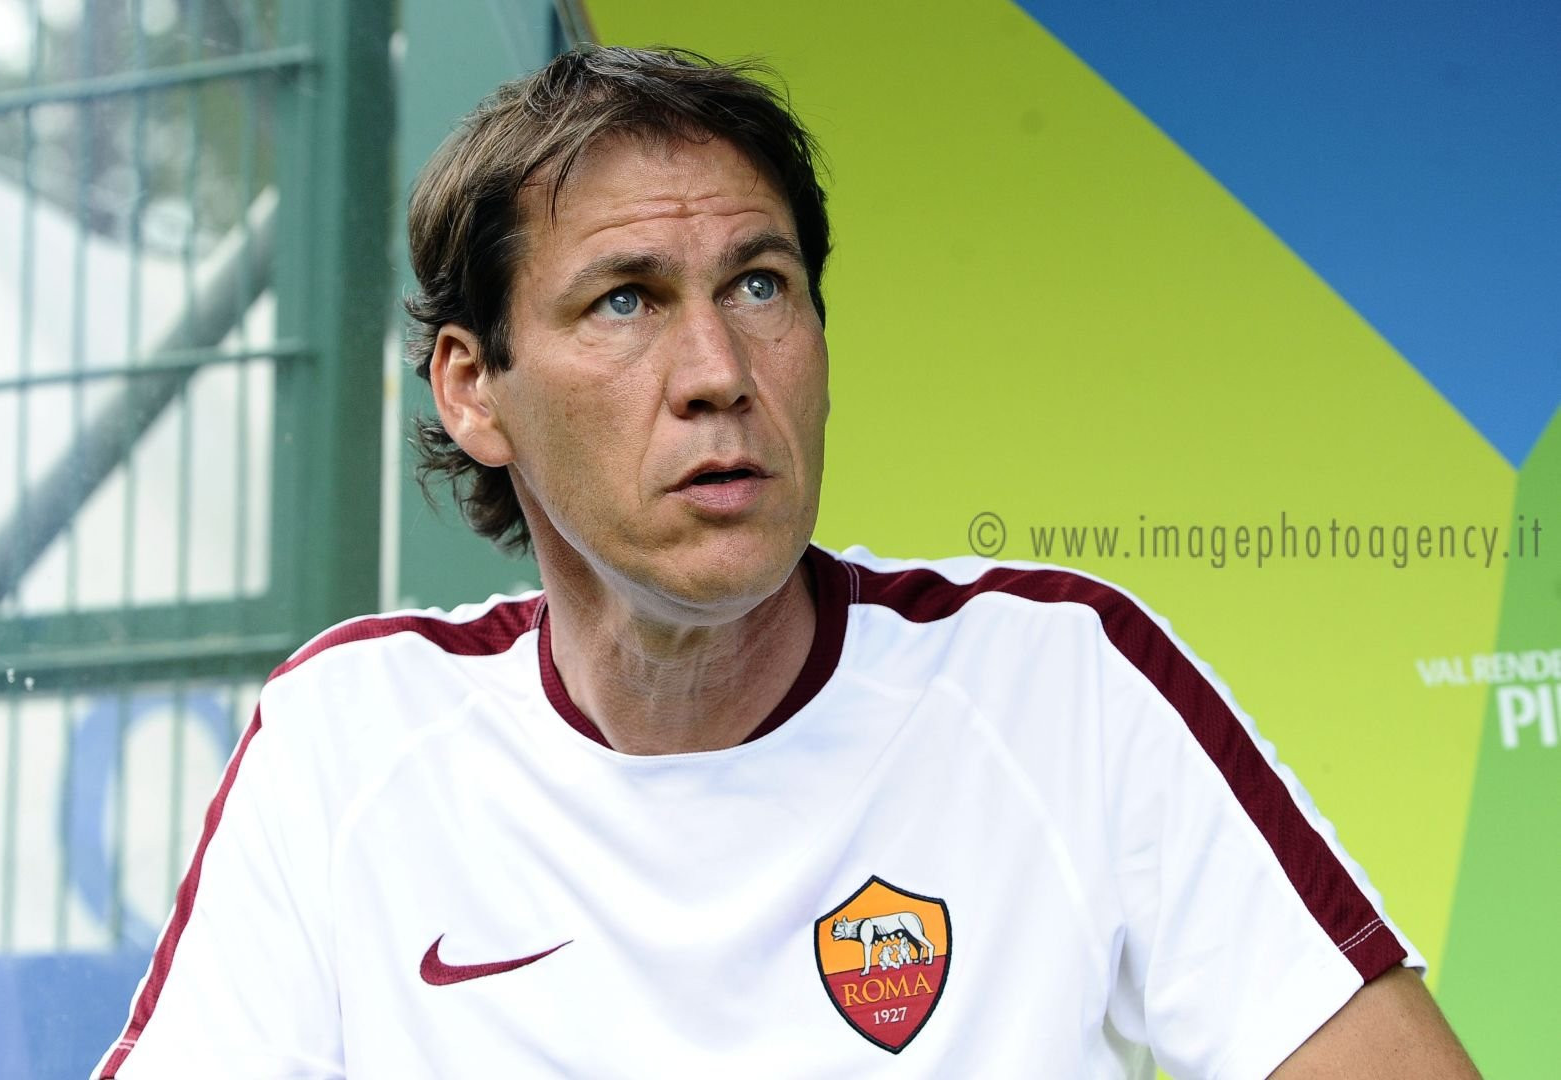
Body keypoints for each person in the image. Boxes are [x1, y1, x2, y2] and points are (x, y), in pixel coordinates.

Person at [94, 46, 1479, 1078]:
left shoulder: (1058, 681)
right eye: (625, 300)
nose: (718, 370)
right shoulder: (350, 740)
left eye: (760, 285)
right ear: (473, 389)